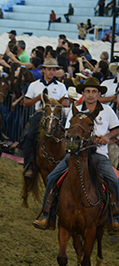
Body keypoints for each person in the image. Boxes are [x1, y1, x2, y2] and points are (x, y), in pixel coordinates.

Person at [34, 77, 119, 230]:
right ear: (83, 93)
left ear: (99, 93)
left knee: (114, 180)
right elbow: (67, 131)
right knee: (53, 177)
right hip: (76, 155)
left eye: (94, 92)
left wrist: (106, 137)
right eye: (88, 91)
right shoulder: (76, 110)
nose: (91, 95)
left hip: (99, 155)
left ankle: (115, 218)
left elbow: (117, 128)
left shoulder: (107, 111)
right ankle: (48, 217)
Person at [22, 58, 70, 179]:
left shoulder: (61, 86)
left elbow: (67, 102)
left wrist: (54, 102)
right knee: (29, 135)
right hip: (40, 113)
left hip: (57, 116)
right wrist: (38, 98)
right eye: (49, 69)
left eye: (54, 69)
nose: (51, 72)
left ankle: (69, 165)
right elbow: (26, 102)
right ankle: (30, 165)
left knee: (69, 136)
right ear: (43, 70)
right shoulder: (34, 85)